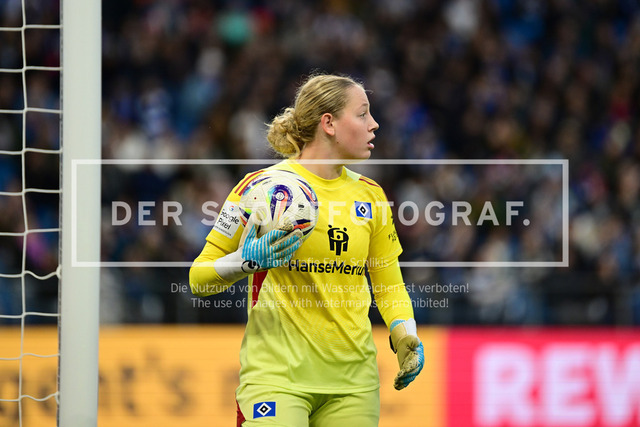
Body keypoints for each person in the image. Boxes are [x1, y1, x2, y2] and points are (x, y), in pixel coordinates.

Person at [190, 73, 424, 426]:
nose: (374, 124)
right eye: (362, 114)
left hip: (354, 386)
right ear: (328, 123)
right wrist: (245, 261)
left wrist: (405, 334)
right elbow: (198, 279)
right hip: (275, 379)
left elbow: (389, 286)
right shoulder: (261, 189)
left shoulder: (371, 196)